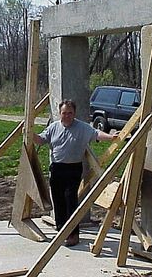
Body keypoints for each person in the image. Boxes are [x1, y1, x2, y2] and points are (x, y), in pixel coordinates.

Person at [34, 99, 117, 246]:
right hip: (57, 168)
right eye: (64, 113)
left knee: (70, 200)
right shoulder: (54, 127)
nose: (67, 116)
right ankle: (61, 231)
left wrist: (111, 137)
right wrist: (29, 133)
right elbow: (41, 140)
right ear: (60, 113)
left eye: (70, 113)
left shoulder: (82, 127)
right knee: (58, 200)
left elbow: (96, 134)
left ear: (74, 113)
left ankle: (73, 234)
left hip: (73, 169)